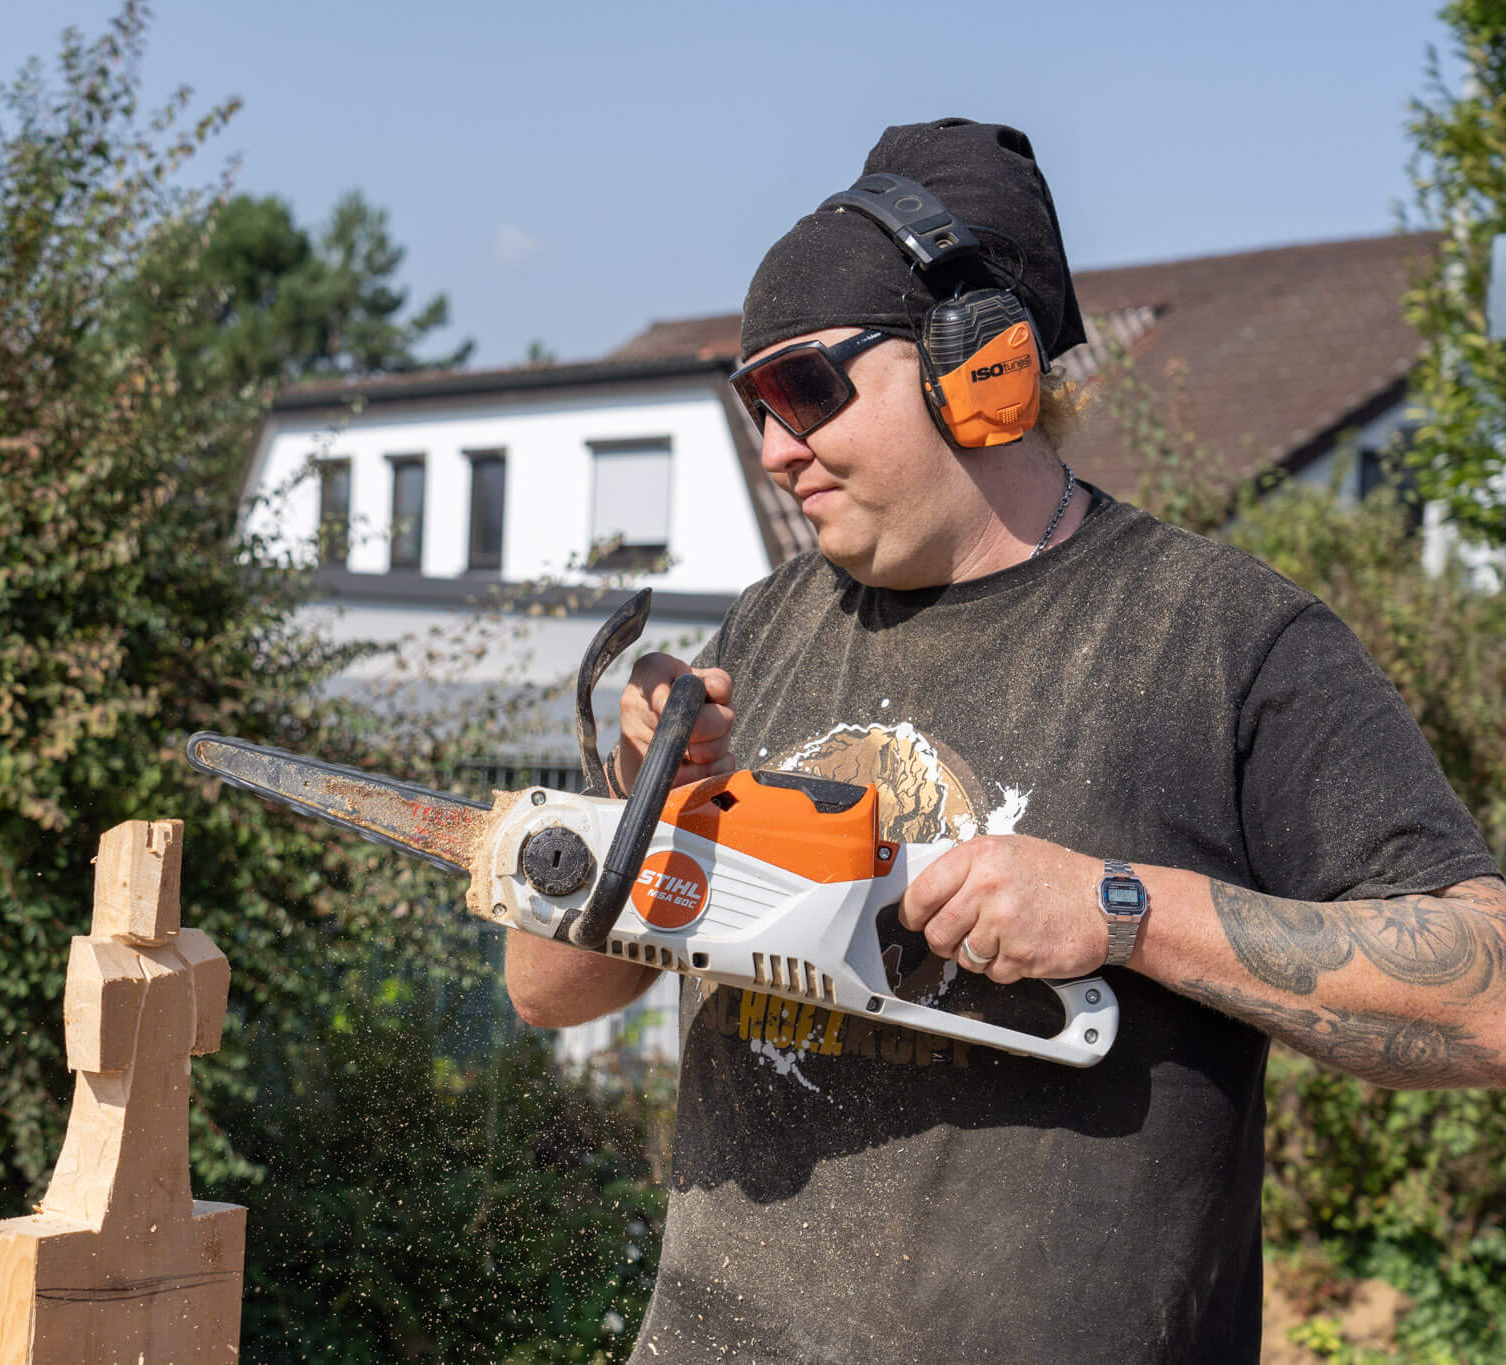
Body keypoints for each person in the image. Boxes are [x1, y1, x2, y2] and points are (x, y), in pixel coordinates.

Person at [504, 118, 1506, 1363]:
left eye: (805, 389)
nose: (772, 448)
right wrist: (643, 798)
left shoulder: (1221, 640)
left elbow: (1487, 995)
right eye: (752, 400)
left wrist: (1123, 908)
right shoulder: (763, 629)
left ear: (974, 366)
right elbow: (546, 992)